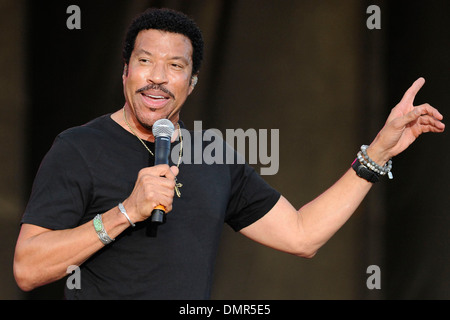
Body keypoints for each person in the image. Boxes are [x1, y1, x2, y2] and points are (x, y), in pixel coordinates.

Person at [13, 8, 445, 299]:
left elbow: (301, 235)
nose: (158, 78)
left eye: (176, 66)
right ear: (125, 70)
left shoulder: (212, 156)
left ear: (192, 83)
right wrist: (124, 212)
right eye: (145, 62)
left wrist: (376, 155)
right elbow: (28, 268)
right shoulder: (79, 147)